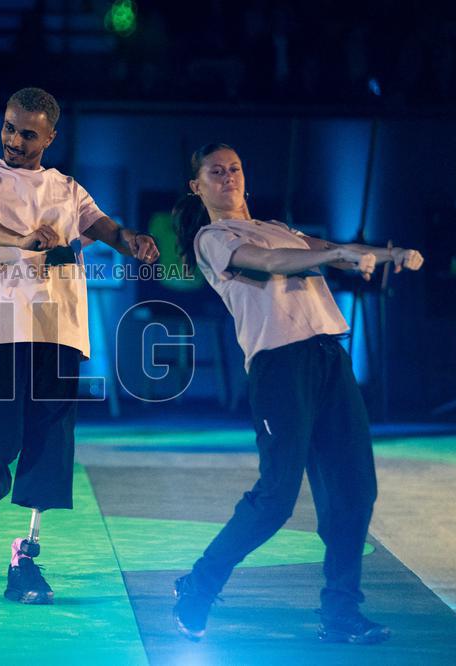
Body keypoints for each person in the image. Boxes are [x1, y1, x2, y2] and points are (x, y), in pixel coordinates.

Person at [171, 143, 423, 643]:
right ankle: (198, 586)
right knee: (275, 498)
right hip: (279, 368)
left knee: (355, 492)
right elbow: (268, 262)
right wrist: (332, 254)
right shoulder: (213, 237)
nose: (228, 178)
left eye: (235, 169)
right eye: (215, 172)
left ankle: (341, 614)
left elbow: (336, 252)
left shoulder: (279, 228)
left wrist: (387, 255)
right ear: (197, 187)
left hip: (329, 359)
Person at [0, 87, 159, 603]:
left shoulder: (67, 188)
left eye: (27, 133)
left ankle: (26, 551)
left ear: (49, 136)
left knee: (49, 441)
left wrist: (131, 241)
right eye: (8, 127)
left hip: (58, 327)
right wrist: (21, 240)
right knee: (1, 440)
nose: (14, 140)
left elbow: (103, 227)